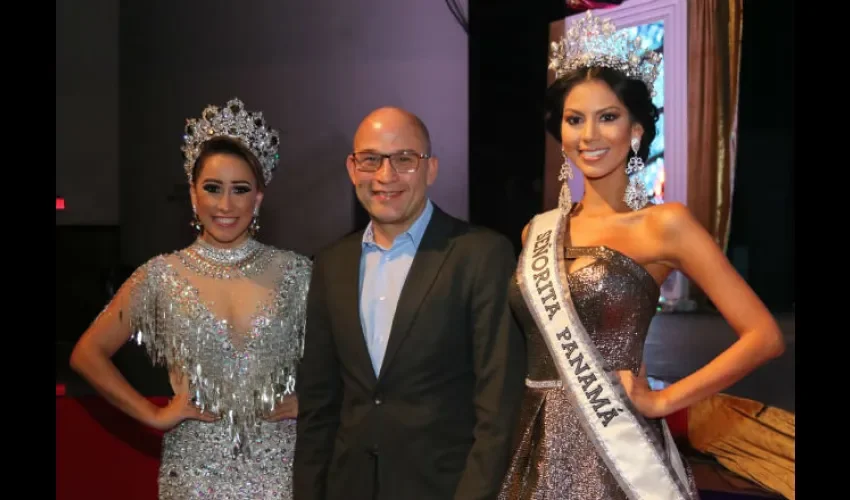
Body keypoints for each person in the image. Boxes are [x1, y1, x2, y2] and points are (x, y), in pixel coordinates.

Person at [498, 11, 785, 500]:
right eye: (574, 119)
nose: (589, 135)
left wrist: (666, 400)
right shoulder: (536, 232)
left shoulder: (664, 224)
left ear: (634, 130)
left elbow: (764, 336)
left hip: (617, 453)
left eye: (607, 117)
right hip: (536, 443)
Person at [69, 98, 312, 499]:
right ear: (193, 193)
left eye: (241, 189)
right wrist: (153, 414)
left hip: (279, 473)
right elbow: (87, 354)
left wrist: (312, 402)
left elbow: (352, 359)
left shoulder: (298, 272)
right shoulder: (160, 276)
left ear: (259, 199)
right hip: (193, 475)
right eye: (212, 188)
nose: (225, 205)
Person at [293, 106, 527, 500]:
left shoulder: (481, 255)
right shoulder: (330, 264)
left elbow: (498, 408)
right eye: (371, 160)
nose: (386, 176)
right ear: (353, 169)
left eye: (404, 159)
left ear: (430, 169)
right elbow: (319, 406)